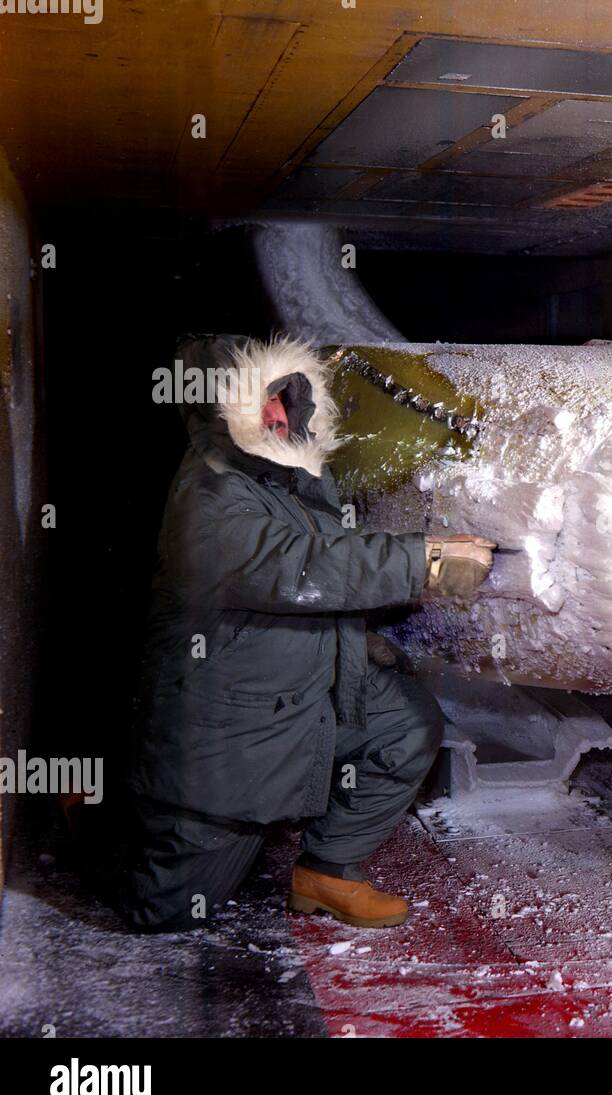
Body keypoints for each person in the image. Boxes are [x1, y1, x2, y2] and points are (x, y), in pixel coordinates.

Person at [117, 335, 495, 931]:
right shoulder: (208, 495)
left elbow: (327, 565)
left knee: (405, 722)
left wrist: (352, 641)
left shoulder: (291, 480)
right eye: (256, 400)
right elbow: (300, 566)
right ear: (217, 407)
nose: (274, 414)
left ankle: (328, 873)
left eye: (280, 397)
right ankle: (96, 814)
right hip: (228, 732)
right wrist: (424, 563)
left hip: (303, 692)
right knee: (161, 910)